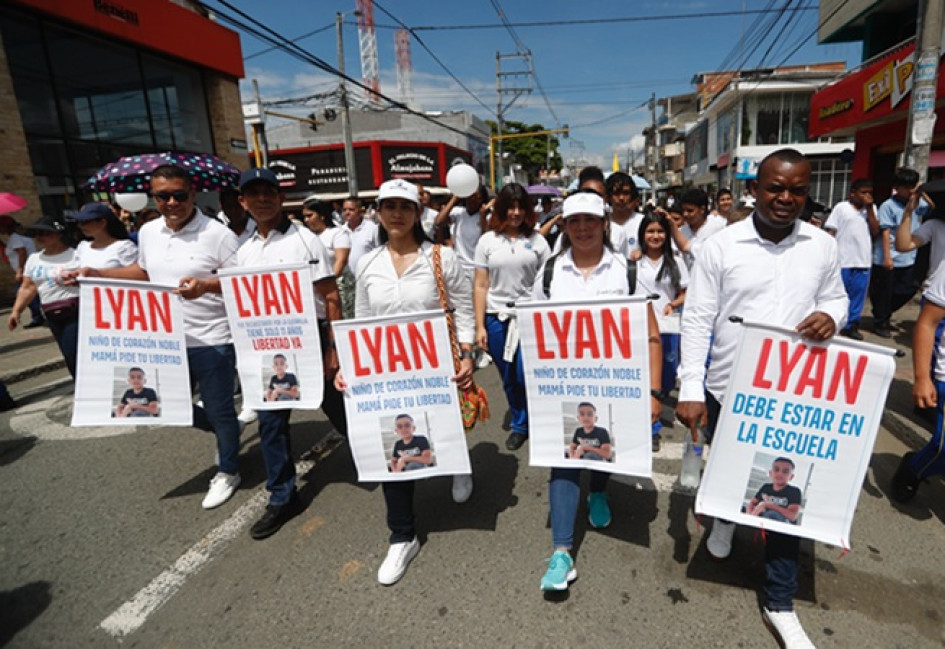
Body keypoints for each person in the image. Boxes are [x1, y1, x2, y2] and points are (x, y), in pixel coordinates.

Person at [676, 148, 847, 649]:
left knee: (786, 495)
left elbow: (836, 297)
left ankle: (780, 603)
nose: (786, 199)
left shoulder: (821, 245)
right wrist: (690, 386)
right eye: (776, 188)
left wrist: (833, 317)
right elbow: (697, 318)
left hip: (795, 393)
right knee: (730, 473)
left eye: (798, 190)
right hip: (730, 386)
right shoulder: (721, 246)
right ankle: (725, 520)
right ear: (755, 189)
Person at [67, 164, 243, 511]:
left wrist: (205, 285)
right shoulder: (147, 232)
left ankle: (229, 469)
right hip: (162, 341)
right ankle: (227, 433)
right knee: (166, 406)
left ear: (192, 194)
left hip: (212, 339)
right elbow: (144, 273)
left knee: (220, 406)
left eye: (180, 194)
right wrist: (98, 273)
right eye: (164, 196)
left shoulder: (218, 233)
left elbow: (240, 282)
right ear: (154, 197)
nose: (173, 202)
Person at [335, 178, 475, 586]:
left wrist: (466, 353)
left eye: (405, 206)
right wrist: (350, 364)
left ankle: (458, 465)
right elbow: (361, 317)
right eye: (388, 205)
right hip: (386, 370)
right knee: (390, 445)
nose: (397, 213)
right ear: (378, 212)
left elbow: (462, 307)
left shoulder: (441, 258)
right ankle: (402, 534)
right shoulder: (367, 263)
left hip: (434, 365)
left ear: (418, 214)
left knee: (442, 428)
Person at [533, 190, 662, 593]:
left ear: (604, 223)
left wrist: (655, 392)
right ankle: (561, 552)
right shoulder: (550, 272)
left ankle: (600, 493)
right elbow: (537, 332)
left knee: (604, 443)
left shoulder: (624, 271)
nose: (583, 228)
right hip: (564, 386)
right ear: (565, 226)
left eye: (591, 220)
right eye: (575, 222)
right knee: (565, 458)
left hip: (615, 384)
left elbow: (652, 334)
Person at [235, 168, 343, 539]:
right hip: (267, 348)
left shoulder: (307, 241)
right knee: (270, 423)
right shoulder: (243, 250)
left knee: (339, 408)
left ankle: (374, 459)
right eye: (254, 194)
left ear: (281, 199)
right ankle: (282, 496)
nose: (262, 199)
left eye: (269, 192)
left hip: (309, 340)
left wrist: (333, 349)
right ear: (243, 202)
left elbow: (330, 296)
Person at [473, 183, 551, 451]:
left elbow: (548, 282)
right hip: (498, 317)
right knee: (508, 376)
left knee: (525, 373)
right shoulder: (487, 241)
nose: (515, 213)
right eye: (510, 207)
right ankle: (520, 423)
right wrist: (480, 325)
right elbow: (481, 285)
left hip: (530, 317)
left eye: (520, 207)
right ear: (501, 209)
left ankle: (538, 418)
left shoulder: (538, 241)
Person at [636, 211, 688, 452]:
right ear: (642, 234)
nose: (655, 236)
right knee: (642, 376)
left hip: (667, 328)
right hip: (639, 328)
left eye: (659, 231)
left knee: (666, 376)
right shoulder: (632, 262)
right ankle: (650, 428)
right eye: (650, 231)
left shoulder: (675, 261)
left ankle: (654, 412)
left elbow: (685, 292)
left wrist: (673, 304)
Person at [7, 215, 79, 376]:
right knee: (68, 356)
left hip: (76, 310)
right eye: (37, 233)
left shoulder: (76, 255)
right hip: (52, 312)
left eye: (46, 233)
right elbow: (28, 287)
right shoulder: (34, 259)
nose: (40, 237)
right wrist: (16, 311)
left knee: (73, 353)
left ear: (59, 234)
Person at [870, 168, 926, 338]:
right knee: (884, 291)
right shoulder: (888, 206)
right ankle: (881, 321)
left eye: (913, 186)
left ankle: (883, 311)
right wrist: (887, 257)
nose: (910, 190)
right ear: (897, 187)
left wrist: (922, 194)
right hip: (889, 256)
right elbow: (885, 232)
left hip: (909, 256)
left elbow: (933, 207)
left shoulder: (918, 203)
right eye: (906, 187)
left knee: (908, 289)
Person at [824, 178, 876, 341]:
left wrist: (870, 209)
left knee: (858, 294)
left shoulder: (871, 209)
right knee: (839, 292)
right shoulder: (842, 208)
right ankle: (836, 321)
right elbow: (831, 231)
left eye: (869, 193)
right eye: (863, 192)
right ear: (853, 193)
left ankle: (852, 324)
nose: (867, 196)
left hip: (863, 259)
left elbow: (876, 230)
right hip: (843, 259)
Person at [1, 215, 45, 328]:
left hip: (26, 271)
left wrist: (20, 270)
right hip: (30, 269)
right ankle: (39, 314)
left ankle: (38, 316)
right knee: (33, 293)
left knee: (23, 293)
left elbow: (22, 252)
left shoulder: (14, 238)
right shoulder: (19, 237)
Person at [341, 197, 379, 319]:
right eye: (345, 209)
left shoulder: (372, 229)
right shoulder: (340, 231)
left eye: (351, 209)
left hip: (368, 279)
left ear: (360, 211)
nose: (347, 212)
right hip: (347, 284)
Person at [670, 187, 726, 269]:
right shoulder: (681, 232)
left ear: (702, 209)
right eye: (683, 210)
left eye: (690, 211)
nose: (685, 214)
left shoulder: (717, 228)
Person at [72, 202, 138, 269]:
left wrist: (98, 273)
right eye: (79, 222)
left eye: (85, 222)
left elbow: (137, 274)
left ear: (102, 223)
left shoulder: (124, 247)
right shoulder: (83, 246)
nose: (80, 226)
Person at [302, 198, 351, 282]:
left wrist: (329, 284)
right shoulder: (306, 237)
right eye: (304, 217)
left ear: (322, 216)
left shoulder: (337, 234)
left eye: (309, 216)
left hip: (337, 284)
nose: (306, 220)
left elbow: (341, 261)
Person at [747, 457, 801, 524]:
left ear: (791, 477)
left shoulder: (794, 491)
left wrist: (767, 505)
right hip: (761, 519)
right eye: (776, 470)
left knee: (771, 514)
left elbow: (792, 516)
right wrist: (749, 514)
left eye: (785, 472)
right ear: (770, 473)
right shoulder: (766, 487)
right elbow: (752, 503)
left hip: (781, 524)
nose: (780, 474)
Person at [606, 172, 644, 250]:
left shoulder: (643, 221)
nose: (621, 198)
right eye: (616, 193)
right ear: (608, 196)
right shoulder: (602, 224)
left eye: (626, 193)